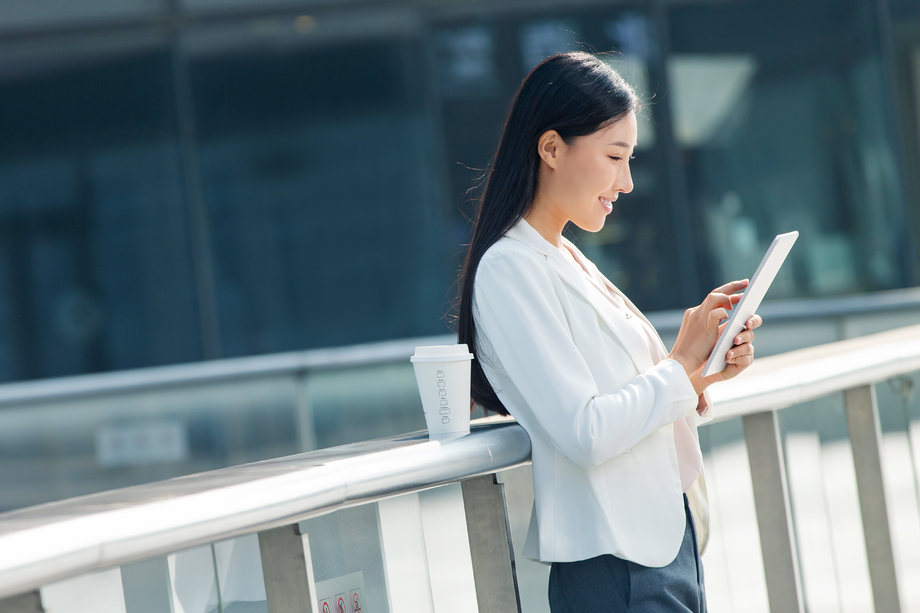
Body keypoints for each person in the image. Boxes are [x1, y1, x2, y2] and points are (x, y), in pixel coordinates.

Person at [456, 52, 761, 612]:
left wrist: (697, 368)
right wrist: (679, 368)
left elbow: (626, 402)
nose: (626, 181)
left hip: (661, 544)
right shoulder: (510, 268)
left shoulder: (563, 255)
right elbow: (586, 430)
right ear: (551, 149)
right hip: (615, 564)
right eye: (614, 156)